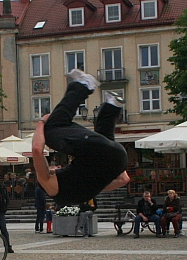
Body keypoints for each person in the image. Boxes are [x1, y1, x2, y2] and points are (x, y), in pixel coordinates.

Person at [32, 69, 129, 207]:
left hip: (119, 158)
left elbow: (123, 179)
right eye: (54, 169)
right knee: (51, 130)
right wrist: (41, 123)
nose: (57, 167)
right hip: (99, 153)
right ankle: (83, 86)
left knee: (103, 140)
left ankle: (112, 106)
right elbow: (37, 150)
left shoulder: (85, 190)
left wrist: (100, 182)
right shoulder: (49, 184)